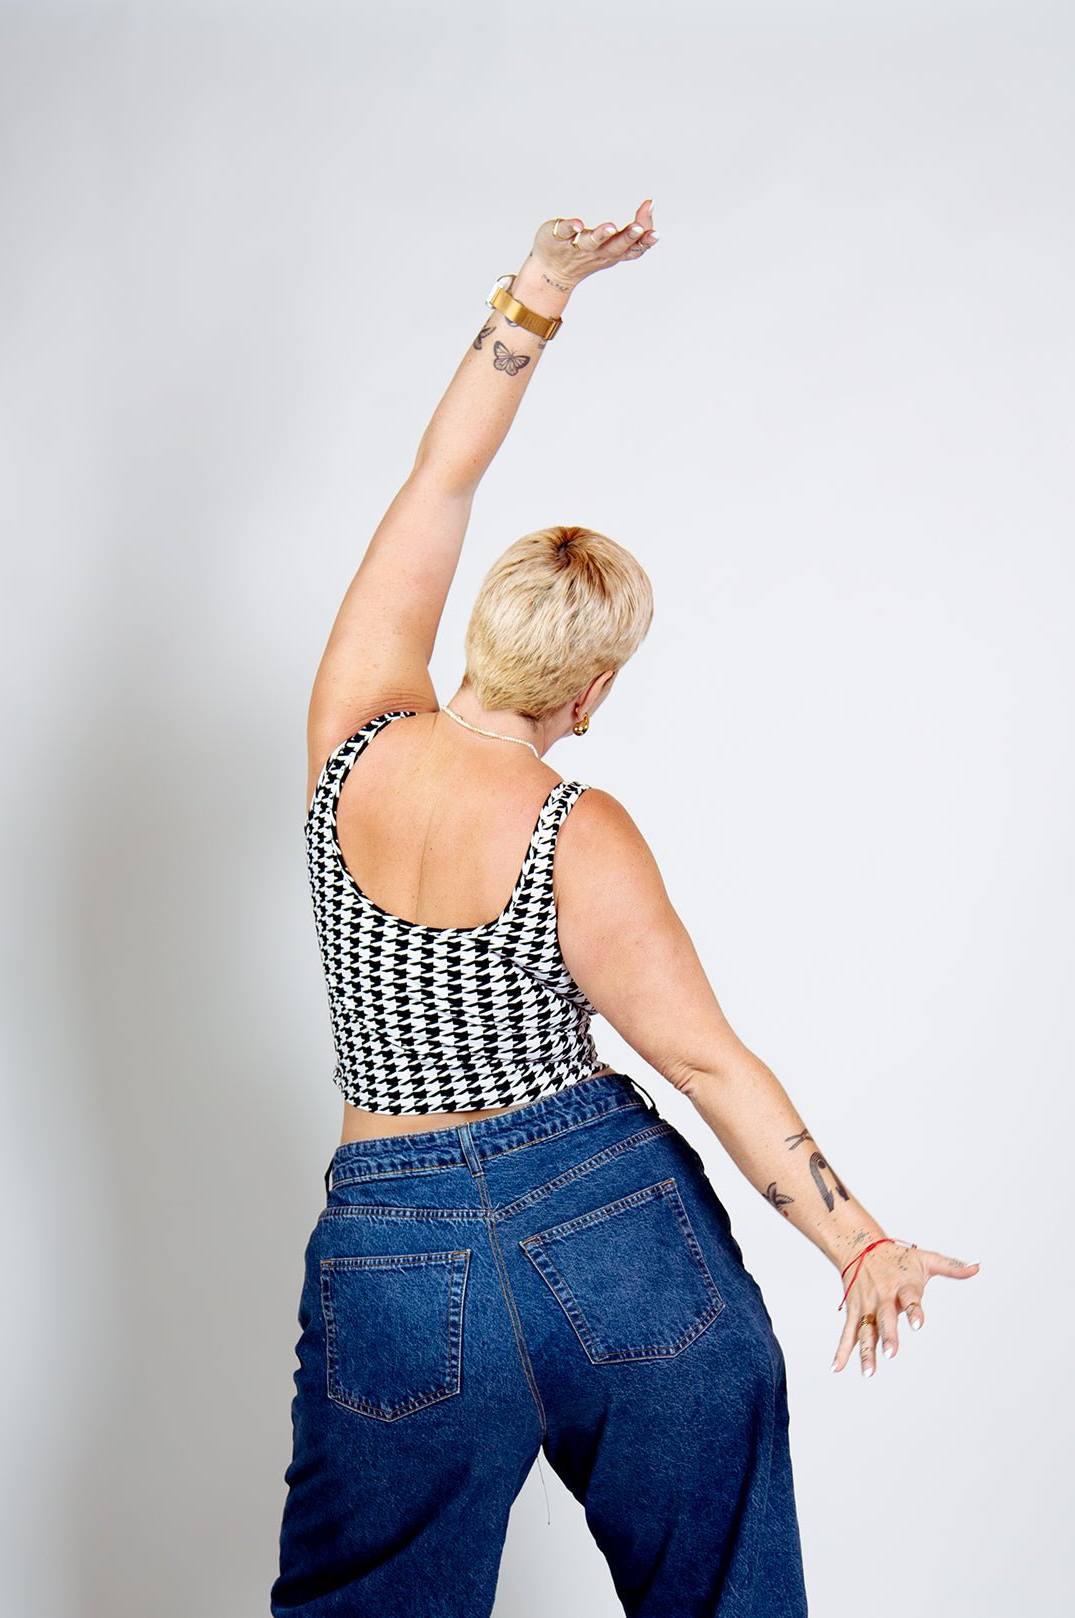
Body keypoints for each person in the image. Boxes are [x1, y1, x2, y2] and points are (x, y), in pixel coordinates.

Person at [269, 201, 980, 1618]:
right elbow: (705, 1062)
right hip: (606, 1223)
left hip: (394, 1249)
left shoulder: (351, 731)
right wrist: (858, 1240)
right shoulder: (576, 831)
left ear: (480, 625)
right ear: (592, 692)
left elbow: (440, 480)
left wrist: (540, 287)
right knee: (719, 1591)